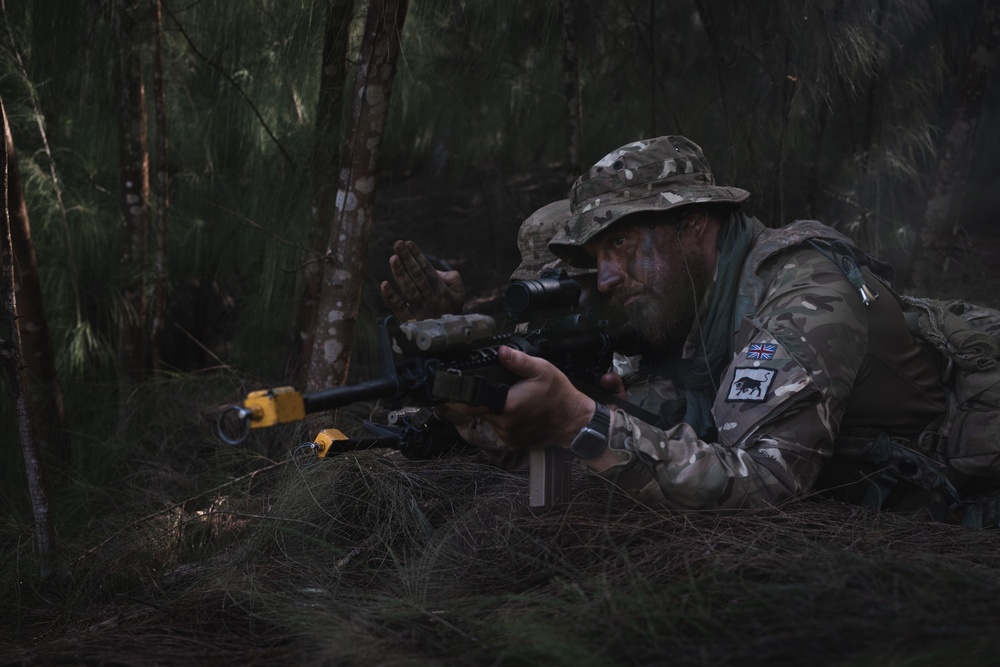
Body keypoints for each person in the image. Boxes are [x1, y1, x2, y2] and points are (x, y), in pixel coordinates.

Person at [454, 134, 1000, 523]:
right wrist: (512, 426)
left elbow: (766, 483)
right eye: (596, 254)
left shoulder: (802, 292)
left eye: (619, 243)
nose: (606, 275)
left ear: (693, 223)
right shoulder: (687, 311)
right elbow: (674, 438)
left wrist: (583, 421)